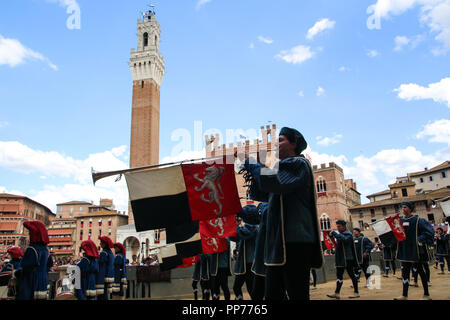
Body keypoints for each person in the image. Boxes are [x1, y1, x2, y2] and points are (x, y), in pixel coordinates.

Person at [239, 127, 323, 300]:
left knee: (297, 295)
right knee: (272, 296)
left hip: (295, 243)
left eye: (281, 139)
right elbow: (262, 192)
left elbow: (272, 181)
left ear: (294, 143)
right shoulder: (283, 170)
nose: (276, 143)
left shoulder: (298, 163)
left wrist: (252, 163)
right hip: (279, 244)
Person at [394, 202, 434, 300]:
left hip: (415, 251)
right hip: (404, 250)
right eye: (402, 207)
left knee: (420, 271)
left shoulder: (419, 220)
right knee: (405, 273)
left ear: (410, 209)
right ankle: (404, 295)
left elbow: (430, 232)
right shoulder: (400, 221)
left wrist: (419, 239)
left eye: (405, 207)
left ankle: (426, 294)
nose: (403, 209)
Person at [17, 221, 51, 300]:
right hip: (43, 283)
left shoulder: (32, 249)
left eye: (29, 232)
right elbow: (49, 264)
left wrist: (16, 273)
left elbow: (26, 268)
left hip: (32, 284)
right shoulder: (46, 250)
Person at [326, 220, 360, 299]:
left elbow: (344, 240)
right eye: (337, 226)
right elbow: (337, 243)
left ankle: (356, 292)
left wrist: (334, 233)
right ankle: (337, 293)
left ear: (344, 226)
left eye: (339, 226)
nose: (337, 228)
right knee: (339, 275)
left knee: (351, 275)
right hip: (341, 258)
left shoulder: (348, 234)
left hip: (348, 258)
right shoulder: (341, 235)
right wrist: (331, 236)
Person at [230, 214, 258, 300]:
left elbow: (241, 233)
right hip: (244, 263)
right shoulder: (246, 227)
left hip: (250, 263)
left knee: (251, 289)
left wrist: (234, 224)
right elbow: (234, 237)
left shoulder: (252, 226)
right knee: (237, 287)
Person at [96, 236, 115, 300]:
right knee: (106, 293)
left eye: (101, 242)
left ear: (105, 244)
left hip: (103, 275)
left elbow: (101, 266)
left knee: (102, 295)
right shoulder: (110, 253)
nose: (100, 244)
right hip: (109, 275)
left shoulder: (104, 253)